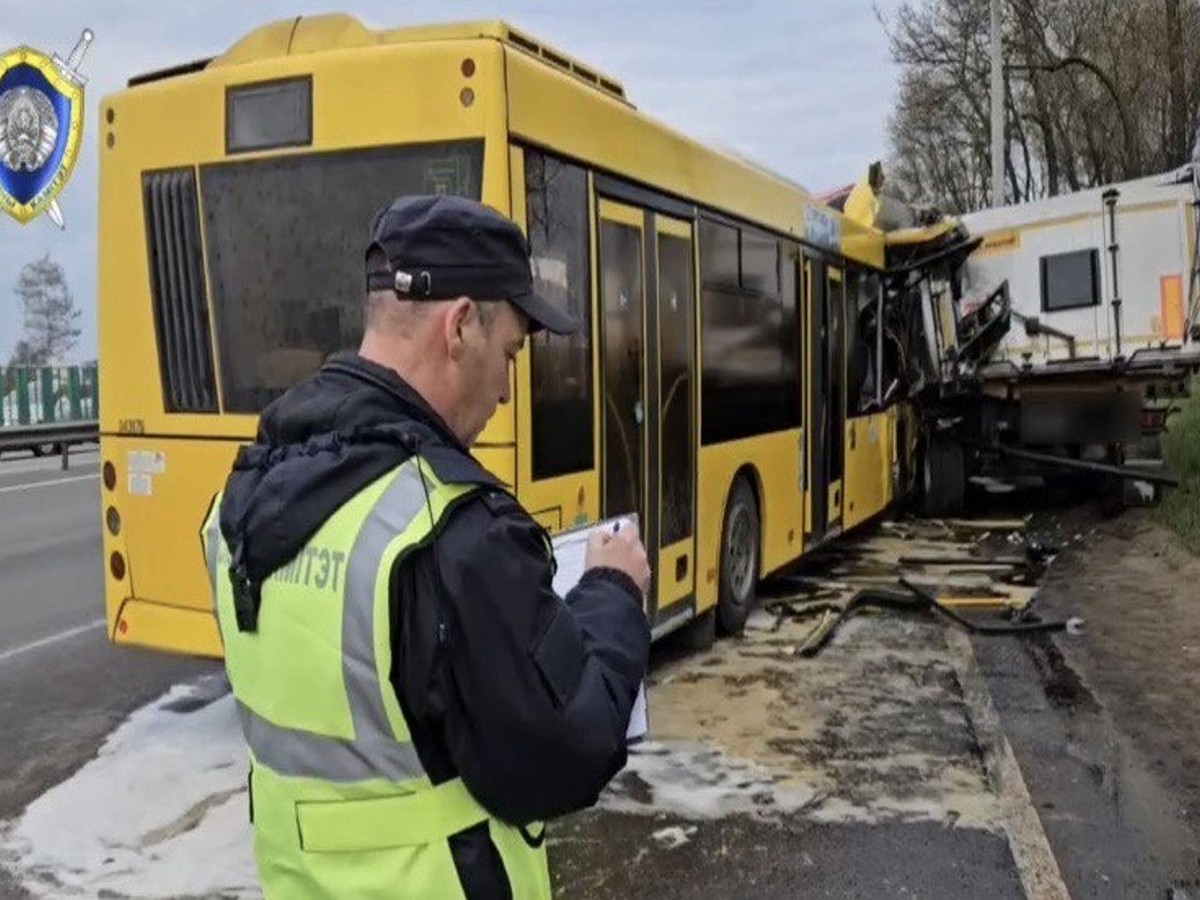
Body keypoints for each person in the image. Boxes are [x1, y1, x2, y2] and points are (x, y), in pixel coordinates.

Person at [202, 194, 653, 899]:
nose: (507, 390)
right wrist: (613, 592)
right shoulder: (453, 533)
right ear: (461, 326)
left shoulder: (246, 495)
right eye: (509, 353)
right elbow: (570, 750)